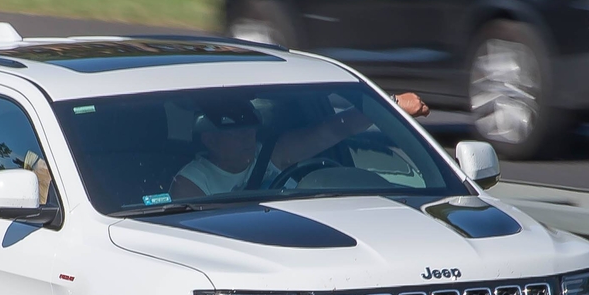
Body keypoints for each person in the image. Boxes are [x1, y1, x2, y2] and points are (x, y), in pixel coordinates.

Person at [170, 90, 431, 202]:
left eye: (250, 131)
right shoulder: (191, 183)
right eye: (235, 134)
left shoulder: (269, 154)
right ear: (210, 140)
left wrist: (392, 104)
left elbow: (337, 128)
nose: (247, 138)